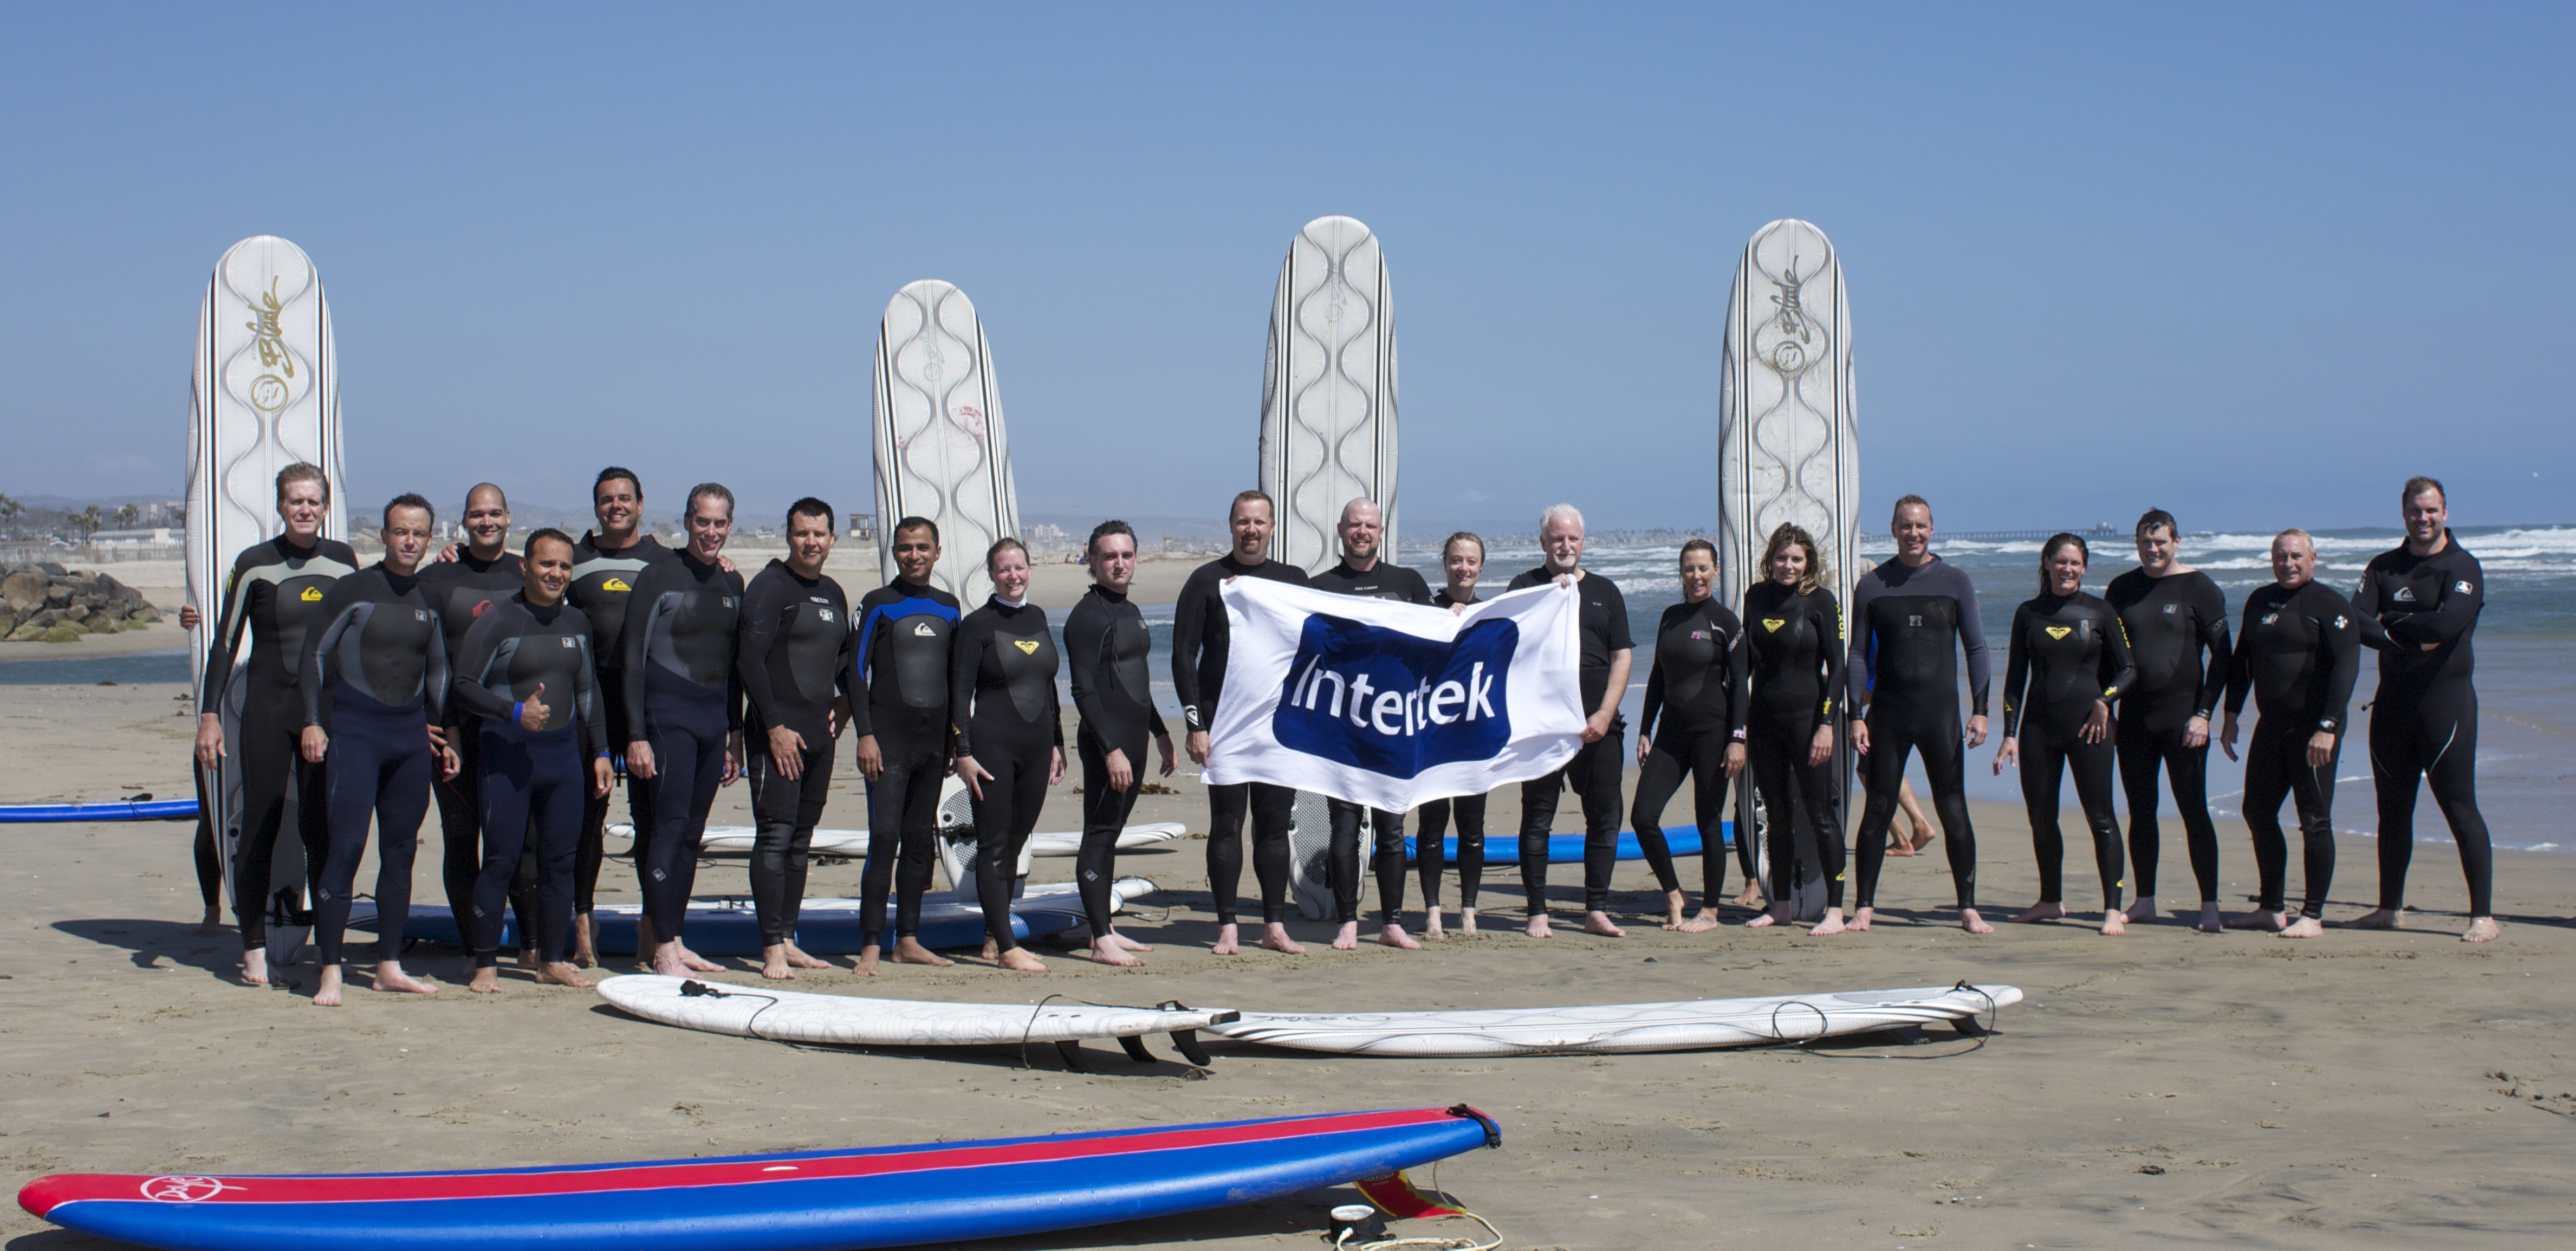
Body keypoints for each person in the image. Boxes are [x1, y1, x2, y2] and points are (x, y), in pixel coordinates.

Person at [192, 463, 360, 986]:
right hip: (266, 710)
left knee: (321, 831)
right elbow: (224, 643)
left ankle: (327, 950)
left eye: (313, 501)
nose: (304, 509)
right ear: (281, 506)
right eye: (295, 502)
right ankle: (254, 950)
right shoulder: (255, 564)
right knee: (261, 825)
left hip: (326, 715)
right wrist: (210, 715)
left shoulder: (343, 562)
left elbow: (363, 637)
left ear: (326, 506)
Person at [297, 494, 458, 1005]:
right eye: (399, 532)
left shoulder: (430, 597)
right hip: (354, 736)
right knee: (344, 850)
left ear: (429, 538)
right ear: (384, 535)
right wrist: (313, 723)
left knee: (401, 852)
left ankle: (389, 963)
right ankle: (329, 968)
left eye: (418, 533)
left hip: (409, 740)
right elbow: (314, 656)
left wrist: (441, 729)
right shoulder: (354, 588)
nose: (409, 541)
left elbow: (439, 672)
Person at [448, 529, 613, 990]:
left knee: (560, 861)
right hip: (508, 755)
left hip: (563, 759)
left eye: (564, 566)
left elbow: (587, 690)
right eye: (546, 564)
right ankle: (484, 962)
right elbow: (462, 684)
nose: (556, 573)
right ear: (526, 566)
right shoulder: (498, 621)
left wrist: (599, 750)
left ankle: (551, 959)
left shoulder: (576, 623)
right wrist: (514, 711)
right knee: (501, 859)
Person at [2349, 477, 2499, 943]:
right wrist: (2405, 630)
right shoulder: (2383, 567)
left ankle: (2482, 916)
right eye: (2416, 511)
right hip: (2392, 707)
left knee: (2459, 809)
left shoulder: (2462, 566)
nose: (2423, 518)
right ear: (2404, 513)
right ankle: (2388, 907)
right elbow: (2354, 619)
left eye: (2431, 510)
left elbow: (2450, 621)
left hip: (2445, 710)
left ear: (2445, 513)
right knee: (2391, 811)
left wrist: (2389, 621)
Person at [1172, 490, 1312, 955]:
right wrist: (1196, 723)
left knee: (1274, 826)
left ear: (1272, 527)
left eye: (1259, 522)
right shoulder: (1205, 580)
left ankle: (1274, 926)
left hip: (1278, 724)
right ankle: (1228, 926)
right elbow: (1182, 655)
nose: (1251, 529)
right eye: (1242, 521)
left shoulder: (1293, 580)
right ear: (1230, 525)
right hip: (1224, 723)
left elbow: (1323, 642)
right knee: (1227, 823)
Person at [1847, 495, 1993, 934]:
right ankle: (1864, 907)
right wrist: (1855, 714)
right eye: (1905, 526)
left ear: (1933, 529)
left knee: (1953, 810)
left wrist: (1981, 711)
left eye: (1921, 526)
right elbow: (1856, 654)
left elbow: (1976, 648)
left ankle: (1967, 907)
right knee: (1876, 808)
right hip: (1887, 716)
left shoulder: (1954, 581)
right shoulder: (1873, 585)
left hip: (1940, 716)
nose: (1914, 533)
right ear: (1893, 529)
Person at [623, 484, 747, 978]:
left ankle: (674, 938)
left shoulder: (732, 583)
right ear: (687, 521)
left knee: (692, 836)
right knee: (667, 829)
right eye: (702, 522)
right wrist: (635, 735)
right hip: (665, 719)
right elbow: (631, 658)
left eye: (719, 524)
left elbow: (734, 666)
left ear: (730, 526)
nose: (711, 532)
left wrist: (734, 734)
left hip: (711, 721)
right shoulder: (658, 576)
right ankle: (661, 948)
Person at [737, 498, 860, 979]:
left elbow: (846, 664)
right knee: (775, 835)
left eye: (819, 534)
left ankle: (789, 937)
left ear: (832, 538)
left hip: (818, 736)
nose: (811, 541)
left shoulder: (832, 592)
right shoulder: (769, 587)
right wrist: (773, 727)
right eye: (802, 533)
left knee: (801, 840)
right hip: (777, 734)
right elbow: (748, 660)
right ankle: (770, 946)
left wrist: (844, 712)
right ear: (788, 537)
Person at [1995, 534, 2138, 936]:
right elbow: (2014, 680)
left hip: (2091, 729)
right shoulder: (2028, 613)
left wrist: (2104, 699)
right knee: (2041, 816)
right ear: (2046, 563)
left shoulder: (2100, 611)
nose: (2067, 569)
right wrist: (2009, 733)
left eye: (2075, 563)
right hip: (2038, 729)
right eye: (2060, 562)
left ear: (2084, 568)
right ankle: (2049, 900)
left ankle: (2112, 907)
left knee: (2101, 817)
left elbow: (2128, 670)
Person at [417, 483, 538, 952]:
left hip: (515, 728)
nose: (486, 521)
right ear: (464, 520)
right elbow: (424, 658)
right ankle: (474, 945)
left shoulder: (528, 572)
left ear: (508, 518)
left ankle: (530, 942)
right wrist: (436, 726)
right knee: (463, 837)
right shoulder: (438, 578)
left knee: (520, 841)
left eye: (494, 513)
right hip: (454, 731)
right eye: (476, 514)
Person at [2221, 529, 2360, 938]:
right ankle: (2270, 907)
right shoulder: (2259, 600)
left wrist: (2327, 727)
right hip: (2272, 725)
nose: (2288, 563)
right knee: (2257, 811)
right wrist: (2231, 713)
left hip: (2314, 729)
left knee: (2314, 819)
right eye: (2280, 556)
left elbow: (2346, 668)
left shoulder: (2329, 604)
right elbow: (2242, 660)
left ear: (2313, 559)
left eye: (2296, 556)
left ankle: (2312, 915)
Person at [1310, 498, 1435, 950]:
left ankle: (1391, 922)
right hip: (1342, 726)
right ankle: (1347, 921)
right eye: (1354, 525)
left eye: (1370, 525)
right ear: (1341, 529)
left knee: (1392, 829)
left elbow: (1437, 641)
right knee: (1344, 826)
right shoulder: (1320, 587)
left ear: (1380, 531)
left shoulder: (1407, 582)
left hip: (1395, 727)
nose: (1362, 532)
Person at [1508, 504, 1635, 938]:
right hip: (1543, 728)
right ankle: (1537, 910)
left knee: (1604, 816)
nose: (1565, 545)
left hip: (1597, 726)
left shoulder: (1605, 591)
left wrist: (1603, 712)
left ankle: (1596, 907)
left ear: (1584, 541)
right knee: (1537, 817)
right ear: (1542, 542)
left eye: (1573, 538)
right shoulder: (1524, 587)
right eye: (1557, 538)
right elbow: (1505, 648)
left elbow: (1622, 656)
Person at [2105, 508, 2231, 932]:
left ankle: (2209, 905)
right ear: (2137, 544)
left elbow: (2224, 658)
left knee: (2194, 811)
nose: (2153, 549)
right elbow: (2108, 657)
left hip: (2185, 723)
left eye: (2160, 541)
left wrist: (2204, 714)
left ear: (2176, 541)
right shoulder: (2122, 588)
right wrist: (2104, 704)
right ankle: (2144, 901)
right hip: (2136, 720)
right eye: (2146, 542)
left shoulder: (2200, 587)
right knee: (2141, 812)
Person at [845, 516, 960, 976]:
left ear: (937, 552)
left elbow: (955, 680)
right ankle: (871, 943)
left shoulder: (950, 607)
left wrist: (956, 740)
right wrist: (865, 734)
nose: (914, 555)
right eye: (905, 547)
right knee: (884, 838)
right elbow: (854, 672)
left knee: (918, 842)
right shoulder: (878, 604)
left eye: (922, 547)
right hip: (886, 744)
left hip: (933, 747)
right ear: (894, 552)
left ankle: (907, 939)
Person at [566, 468, 671, 964]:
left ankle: (651, 927)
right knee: (589, 819)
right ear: (596, 506)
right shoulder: (576, 559)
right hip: (591, 706)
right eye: (607, 499)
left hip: (649, 706)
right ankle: (582, 920)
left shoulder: (664, 560)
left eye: (625, 498)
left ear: (641, 504)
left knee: (650, 820)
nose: (616, 506)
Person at [1065, 520, 1178, 965]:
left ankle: (1105, 928)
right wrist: (1110, 748)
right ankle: (1099, 938)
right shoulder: (1087, 616)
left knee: (1110, 835)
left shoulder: (1129, 610)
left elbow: (1137, 682)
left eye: (1126, 555)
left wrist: (1161, 731)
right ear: (1091, 561)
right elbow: (1083, 690)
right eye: (1109, 556)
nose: (1119, 563)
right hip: (1105, 743)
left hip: (1133, 741)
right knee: (1098, 834)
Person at [949, 538, 1066, 973]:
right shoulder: (977, 625)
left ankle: (991, 936)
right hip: (991, 748)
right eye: (1003, 570)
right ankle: (1007, 947)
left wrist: (1057, 742)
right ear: (991, 574)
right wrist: (962, 752)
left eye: (1019, 568)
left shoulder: (1037, 617)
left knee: (1015, 844)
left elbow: (1048, 686)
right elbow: (959, 694)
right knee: (994, 845)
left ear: (1029, 569)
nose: (1012, 576)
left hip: (1036, 750)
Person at [1631, 539, 1748, 931]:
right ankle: (1674, 893)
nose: (1695, 576)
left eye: (1702, 568)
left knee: (1708, 820)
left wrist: (1738, 738)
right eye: (1688, 569)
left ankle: (1710, 911)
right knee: (1643, 817)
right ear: (1680, 572)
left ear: (1715, 571)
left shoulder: (1726, 622)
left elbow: (1741, 686)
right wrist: (1645, 728)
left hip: (1712, 733)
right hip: (1670, 732)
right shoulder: (1669, 616)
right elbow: (1658, 677)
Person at [1742, 523, 1852, 935]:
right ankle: (1782, 905)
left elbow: (1837, 668)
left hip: (1809, 723)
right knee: (1776, 814)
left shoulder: (1822, 600)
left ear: (1809, 563)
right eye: (1781, 558)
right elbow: (1746, 666)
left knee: (1821, 814)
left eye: (1796, 559)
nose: (1788, 565)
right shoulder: (1756, 597)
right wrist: (1738, 723)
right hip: (1764, 721)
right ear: (1770, 559)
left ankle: (1836, 911)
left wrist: (1827, 724)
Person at [1417, 531, 1494, 939]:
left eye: (1471, 561)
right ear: (1444, 563)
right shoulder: (1425, 610)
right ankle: (1432, 912)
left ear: (1481, 568)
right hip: (1431, 734)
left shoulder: (1492, 613)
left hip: (1472, 735)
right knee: (1431, 825)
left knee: (1471, 825)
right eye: (1456, 560)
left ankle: (1468, 910)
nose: (1463, 567)